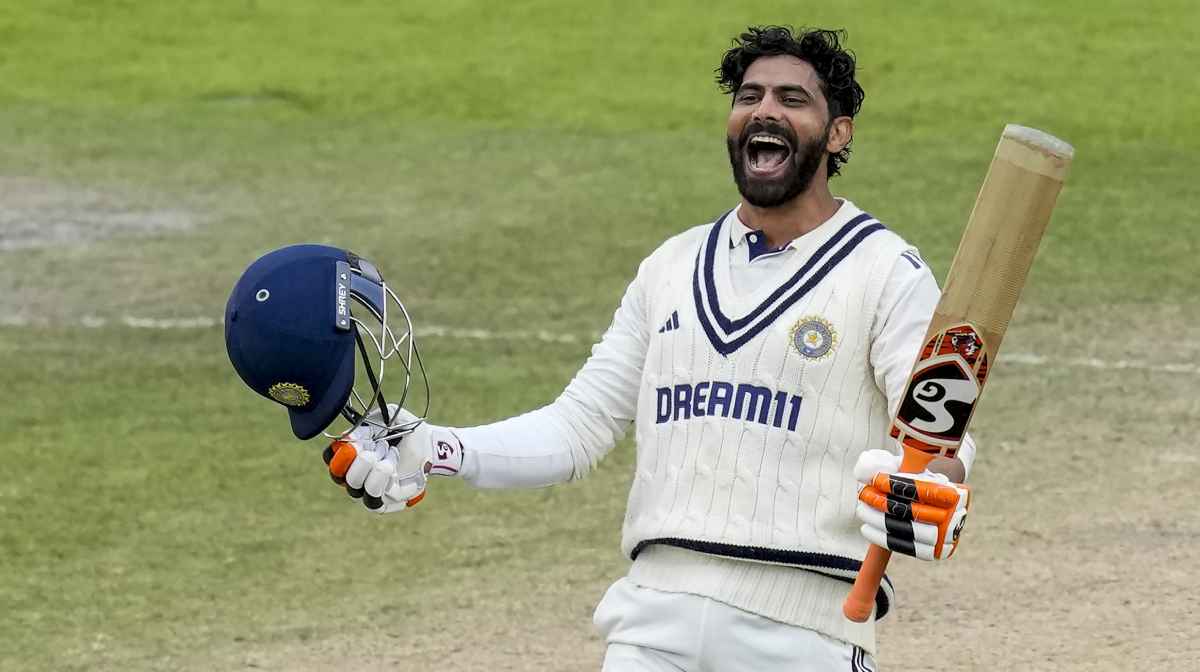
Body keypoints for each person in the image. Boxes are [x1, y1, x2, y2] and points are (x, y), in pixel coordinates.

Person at [320, 26, 975, 671]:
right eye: (749, 97)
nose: (764, 110)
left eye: (792, 99)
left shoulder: (887, 272)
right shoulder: (670, 266)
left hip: (806, 634)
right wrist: (435, 447)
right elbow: (576, 428)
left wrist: (935, 484)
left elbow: (938, 437)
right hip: (652, 625)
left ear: (838, 133)